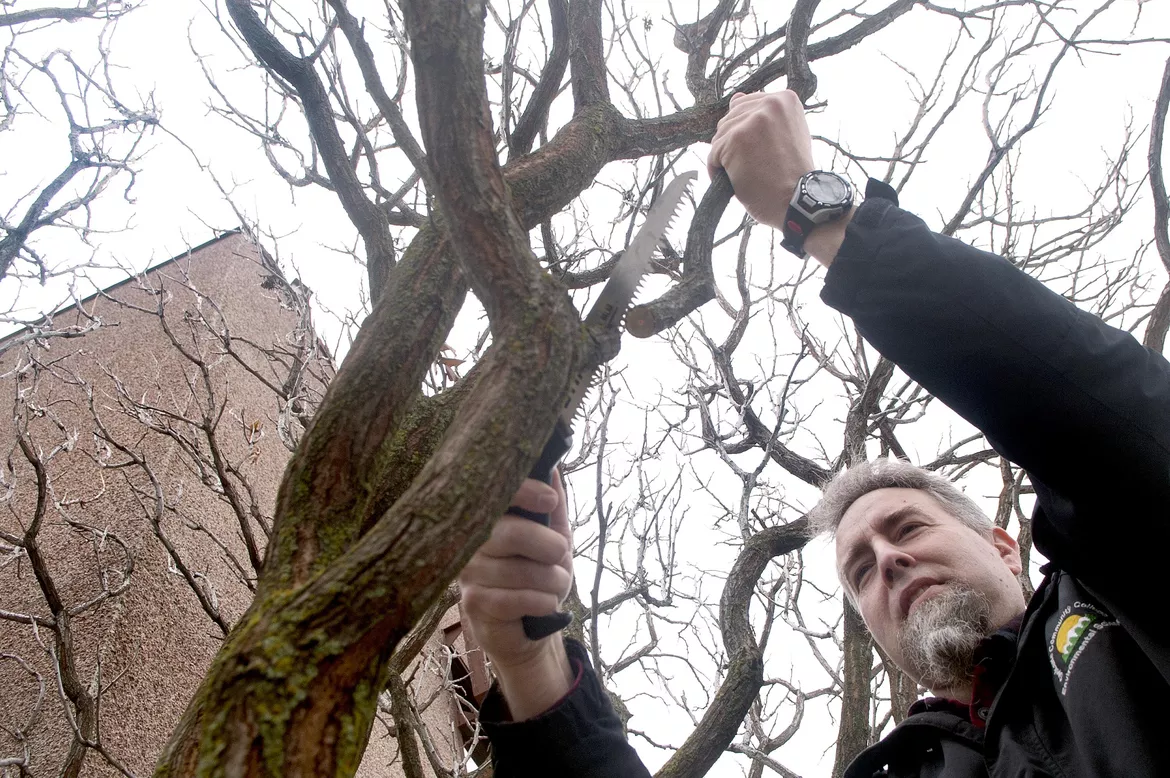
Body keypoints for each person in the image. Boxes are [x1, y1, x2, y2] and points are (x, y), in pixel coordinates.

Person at [457, 90, 1170, 777]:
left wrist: (821, 216)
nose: (886, 561)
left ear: (1004, 545)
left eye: (907, 529)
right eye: (860, 569)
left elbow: (1102, 417)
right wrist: (531, 664)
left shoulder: (1119, 596)